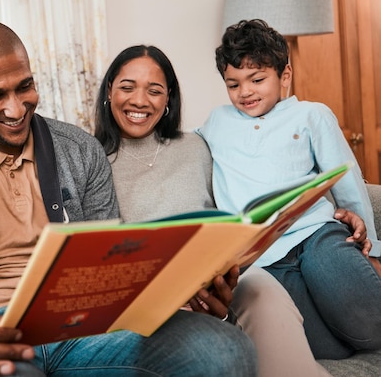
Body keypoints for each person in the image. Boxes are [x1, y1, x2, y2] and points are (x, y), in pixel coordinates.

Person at [0, 18, 258, 377]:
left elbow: (111, 275)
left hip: (85, 332)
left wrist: (181, 288)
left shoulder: (82, 151)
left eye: (25, 87)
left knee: (225, 350)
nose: (17, 109)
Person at [93, 44, 368, 376]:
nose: (139, 100)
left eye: (154, 90)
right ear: (109, 90)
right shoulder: (90, 161)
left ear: (169, 99)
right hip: (154, 297)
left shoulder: (197, 145)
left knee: (260, 285)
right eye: (127, 87)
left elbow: (255, 172)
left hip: (225, 277)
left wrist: (343, 208)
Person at [197, 19, 381, 359]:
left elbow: (347, 178)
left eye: (257, 79)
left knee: (372, 329)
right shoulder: (217, 121)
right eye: (233, 84)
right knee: (327, 351)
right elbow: (182, 147)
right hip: (264, 261)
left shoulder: (311, 115)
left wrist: (372, 246)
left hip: (317, 236)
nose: (245, 92)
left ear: (284, 76)